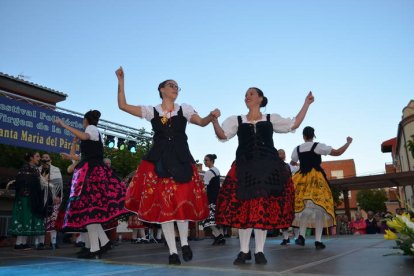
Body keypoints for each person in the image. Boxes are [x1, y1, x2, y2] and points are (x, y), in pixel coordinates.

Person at [115, 66, 219, 265]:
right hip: (160, 161)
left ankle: (185, 243)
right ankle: (172, 251)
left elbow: (202, 122)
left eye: (178, 87)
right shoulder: (152, 111)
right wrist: (121, 81)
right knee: (166, 208)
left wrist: (211, 116)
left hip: (181, 159)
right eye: (171, 85)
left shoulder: (184, 109)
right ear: (161, 89)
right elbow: (123, 106)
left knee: (180, 203)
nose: (175, 88)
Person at [212, 88, 314, 265]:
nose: (247, 96)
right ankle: (244, 251)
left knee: (262, 209)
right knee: (244, 210)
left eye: (251, 93)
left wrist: (306, 103)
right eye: (245, 94)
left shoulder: (270, 119)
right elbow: (223, 135)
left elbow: (294, 123)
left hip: (267, 169)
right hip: (245, 168)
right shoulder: (237, 120)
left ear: (260, 98)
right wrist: (214, 120)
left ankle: (259, 251)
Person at [55, 110, 129, 259]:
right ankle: (102, 243)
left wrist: (63, 125)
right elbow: (83, 156)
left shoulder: (91, 129)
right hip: (89, 170)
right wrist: (69, 155)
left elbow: (84, 137)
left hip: (91, 173)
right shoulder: (91, 134)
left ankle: (96, 247)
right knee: (90, 211)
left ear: (85, 120)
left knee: (89, 210)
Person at [291, 126, 353, 249]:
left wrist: (302, 165)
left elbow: (293, 161)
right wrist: (348, 143)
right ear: (313, 135)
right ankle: (318, 241)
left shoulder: (297, 148)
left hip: (302, 179)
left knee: (304, 207)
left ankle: (301, 236)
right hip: (316, 179)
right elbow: (338, 153)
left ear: (303, 136)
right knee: (320, 208)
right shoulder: (318, 146)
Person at [8, 152, 47, 250]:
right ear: (31, 158)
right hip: (25, 198)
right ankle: (18, 243)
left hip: (32, 198)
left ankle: (22, 243)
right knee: (24, 218)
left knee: (27, 219)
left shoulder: (35, 169)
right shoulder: (25, 168)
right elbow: (22, 183)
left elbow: (40, 183)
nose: (39, 158)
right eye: (37, 156)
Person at [38, 153, 63, 250]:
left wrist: (58, 196)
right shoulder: (38, 170)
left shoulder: (56, 169)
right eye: (43, 157)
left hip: (53, 197)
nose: (45, 159)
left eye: (47, 157)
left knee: (53, 219)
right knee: (41, 220)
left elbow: (59, 184)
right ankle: (40, 242)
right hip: (41, 197)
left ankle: (53, 242)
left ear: (50, 160)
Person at [201, 154, 225, 245]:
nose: (205, 162)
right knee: (214, 220)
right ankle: (218, 237)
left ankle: (219, 236)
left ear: (211, 161)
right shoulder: (217, 170)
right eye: (204, 160)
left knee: (209, 220)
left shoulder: (208, 173)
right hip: (216, 198)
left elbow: (204, 187)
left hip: (211, 199)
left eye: (206, 160)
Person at [277, 149, 299, 245]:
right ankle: (286, 238)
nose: (283, 154)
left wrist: (297, 164)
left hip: (289, 194)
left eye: (284, 153)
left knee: (293, 214)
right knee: (282, 215)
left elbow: (299, 168)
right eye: (280, 153)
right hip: (279, 194)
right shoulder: (273, 166)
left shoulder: (288, 166)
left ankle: (297, 237)